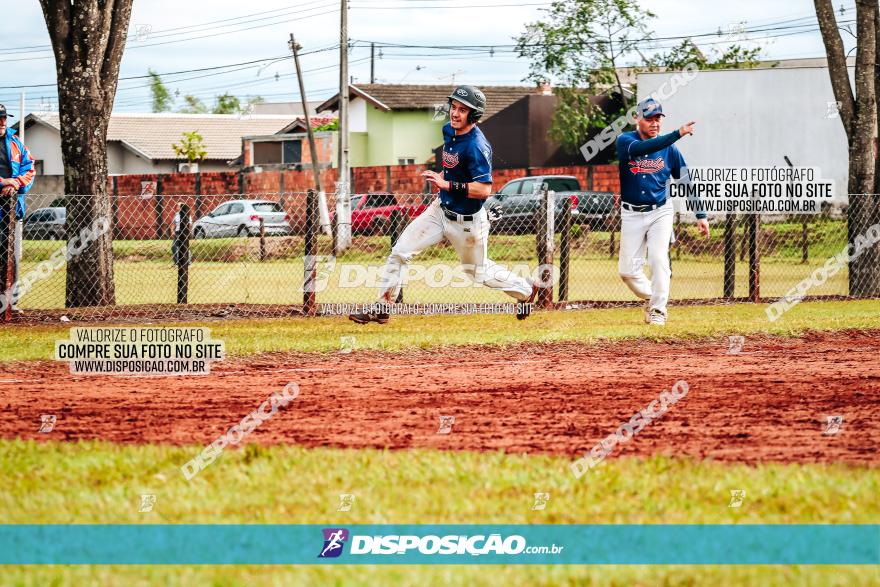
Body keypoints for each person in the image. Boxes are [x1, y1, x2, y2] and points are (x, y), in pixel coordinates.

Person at [349, 85, 538, 325]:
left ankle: (525, 290)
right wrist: (444, 178)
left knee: (478, 273)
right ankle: (383, 307)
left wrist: (447, 184)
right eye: (454, 107)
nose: (455, 113)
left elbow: (484, 190)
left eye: (463, 110)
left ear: (475, 115)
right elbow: (455, 167)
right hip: (440, 211)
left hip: (468, 223)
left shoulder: (477, 146)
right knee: (400, 252)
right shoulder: (449, 131)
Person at [615, 97, 709, 326]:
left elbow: (686, 179)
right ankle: (652, 297)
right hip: (631, 213)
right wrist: (678, 133)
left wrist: (701, 215)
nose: (655, 123)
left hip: (660, 211)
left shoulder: (670, 150)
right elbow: (645, 147)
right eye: (649, 119)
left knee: (658, 259)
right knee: (627, 272)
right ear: (637, 119)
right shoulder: (625, 141)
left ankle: (658, 310)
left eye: (658, 118)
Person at [0, 104, 36, 312]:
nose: (2, 122)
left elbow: (29, 168)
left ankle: (10, 305)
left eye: (4, 118)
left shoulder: (16, 143)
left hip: (12, 211)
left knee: (12, 257)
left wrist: (15, 183)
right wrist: (3, 182)